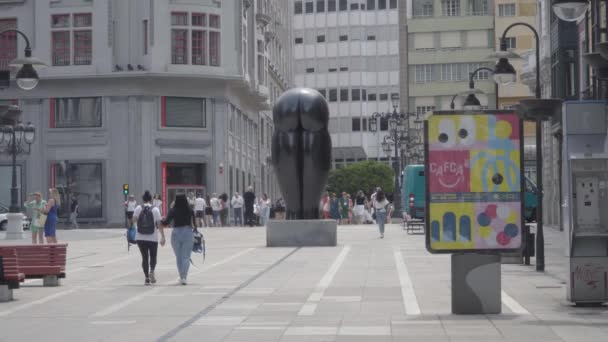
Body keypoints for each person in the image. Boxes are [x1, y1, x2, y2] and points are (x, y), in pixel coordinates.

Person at [161, 194, 196, 285]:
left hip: (176, 233)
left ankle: (181, 276)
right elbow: (195, 224)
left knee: (179, 257)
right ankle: (184, 277)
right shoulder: (190, 210)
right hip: (188, 232)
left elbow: (166, 222)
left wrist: (160, 220)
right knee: (186, 257)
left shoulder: (173, 210)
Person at [132, 191, 164, 285]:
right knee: (153, 256)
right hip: (152, 237)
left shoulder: (138, 208)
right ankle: (152, 271)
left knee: (144, 257)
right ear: (151, 199)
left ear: (143, 199)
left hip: (140, 237)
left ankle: (146, 278)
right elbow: (159, 224)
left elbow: (133, 220)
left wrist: (135, 228)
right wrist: (162, 236)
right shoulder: (155, 209)